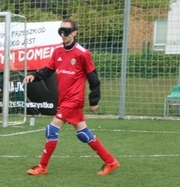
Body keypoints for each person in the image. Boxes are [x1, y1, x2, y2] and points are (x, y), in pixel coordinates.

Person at [22, 19, 119, 176]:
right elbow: (48, 70)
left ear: (74, 33)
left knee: (51, 129)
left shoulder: (82, 53)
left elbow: (93, 78)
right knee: (83, 133)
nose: (63, 34)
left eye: (66, 31)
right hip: (64, 99)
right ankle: (110, 162)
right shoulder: (58, 51)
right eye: (61, 31)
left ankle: (42, 167)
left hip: (74, 100)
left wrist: (94, 100)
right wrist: (34, 75)